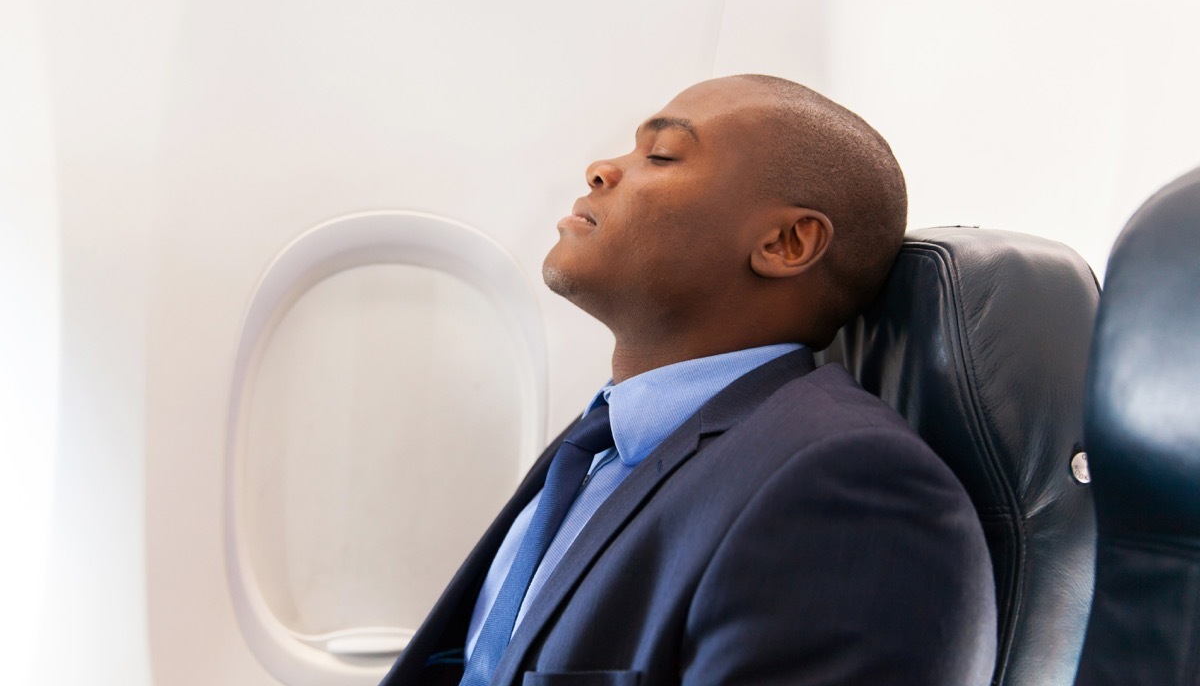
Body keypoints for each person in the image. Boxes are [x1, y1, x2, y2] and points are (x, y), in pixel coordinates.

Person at [380, 75, 997, 685]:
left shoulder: (848, 487)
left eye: (661, 155)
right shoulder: (604, 443)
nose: (600, 169)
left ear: (785, 242)